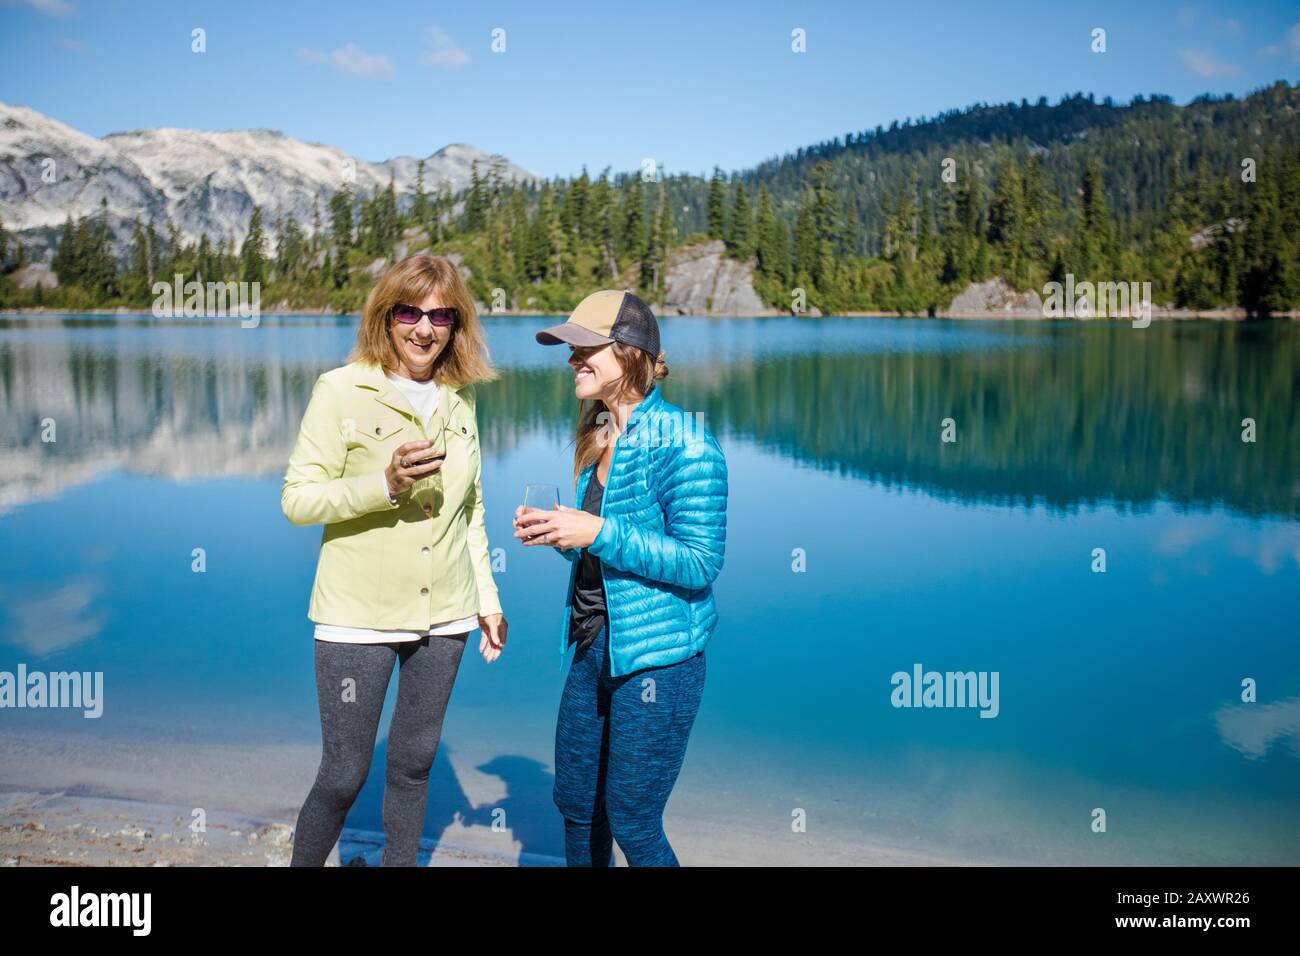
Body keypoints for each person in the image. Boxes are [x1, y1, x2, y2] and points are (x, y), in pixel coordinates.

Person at [282, 253, 507, 866]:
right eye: (410, 311)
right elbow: (298, 500)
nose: (424, 328)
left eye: (441, 315)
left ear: (456, 326)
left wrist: (487, 600)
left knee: (413, 765)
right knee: (344, 773)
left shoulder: (458, 405)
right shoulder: (341, 389)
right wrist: (382, 486)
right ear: (386, 317)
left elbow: (472, 511)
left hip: (447, 617)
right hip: (359, 615)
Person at [513, 290, 728, 866]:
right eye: (569, 349)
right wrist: (563, 536)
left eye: (585, 347)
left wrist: (597, 533)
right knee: (577, 804)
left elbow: (701, 562)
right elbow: (608, 557)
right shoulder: (601, 432)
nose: (572, 360)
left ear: (630, 352)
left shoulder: (688, 443)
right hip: (592, 646)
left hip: (659, 660)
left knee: (633, 820)